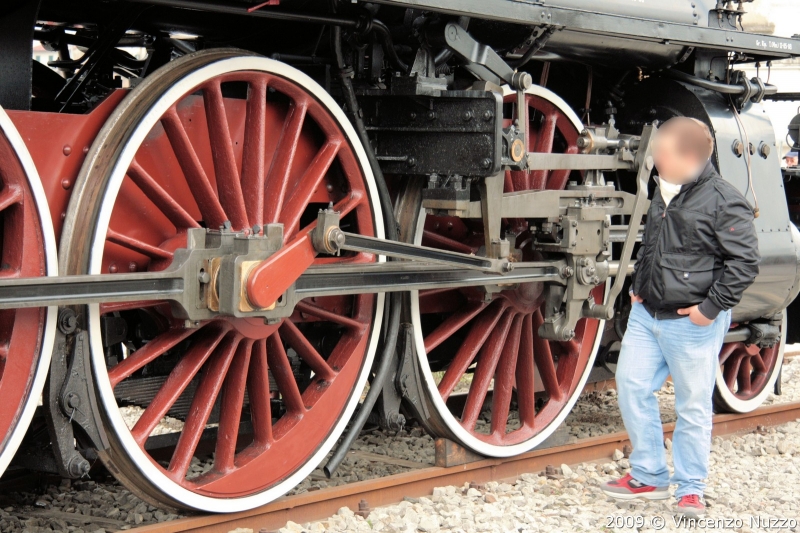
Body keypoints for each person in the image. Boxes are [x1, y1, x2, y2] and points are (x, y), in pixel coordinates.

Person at [601, 117, 760, 518]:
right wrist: (640, 282)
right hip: (647, 314)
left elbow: (745, 263)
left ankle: (690, 489)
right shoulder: (664, 188)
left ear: (688, 158)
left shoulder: (725, 200)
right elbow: (654, 241)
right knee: (631, 386)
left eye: (662, 152)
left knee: (692, 407)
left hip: (691, 324)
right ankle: (649, 475)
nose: (653, 157)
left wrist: (709, 310)